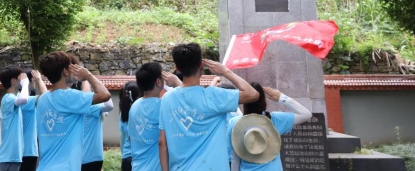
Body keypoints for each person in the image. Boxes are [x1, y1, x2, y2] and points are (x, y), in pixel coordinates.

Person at [158, 43, 259, 171]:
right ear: (201, 65)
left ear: (177, 68)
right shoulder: (213, 96)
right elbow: (253, 94)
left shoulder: (167, 98)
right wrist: (225, 71)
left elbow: (162, 142)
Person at [36, 51, 111, 171]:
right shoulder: (69, 96)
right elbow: (105, 95)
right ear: (65, 71)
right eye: (72, 66)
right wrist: (88, 75)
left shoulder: (42, 99)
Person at [229, 83, 312, 171]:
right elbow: (306, 114)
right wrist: (282, 97)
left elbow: (235, 157)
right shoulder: (275, 120)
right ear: (263, 100)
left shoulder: (235, 123)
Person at [128, 62, 180, 171]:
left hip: (137, 167)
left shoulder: (135, 106)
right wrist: (176, 82)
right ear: (158, 81)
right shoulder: (162, 105)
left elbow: (130, 137)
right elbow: (190, 100)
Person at [0, 66, 31, 171]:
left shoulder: (16, 97)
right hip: (7, 157)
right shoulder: (8, 98)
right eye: (21, 77)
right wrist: (25, 84)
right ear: (13, 80)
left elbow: (25, 97)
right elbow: (24, 99)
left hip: (14, 156)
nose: (23, 79)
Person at [79, 80, 114, 171]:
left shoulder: (76, 107)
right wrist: (95, 83)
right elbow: (109, 105)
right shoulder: (94, 108)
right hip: (93, 157)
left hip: (80, 158)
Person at [19, 69, 47, 171]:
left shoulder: (22, 99)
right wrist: (39, 79)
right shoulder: (24, 101)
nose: (34, 83)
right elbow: (45, 96)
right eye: (33, 80)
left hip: (28, 150)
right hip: (27, 150)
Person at [118, 81, 140, 171]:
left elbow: (122, 138)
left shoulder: (123, 113)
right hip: (140, 157)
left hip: (127, 157)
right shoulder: (141, 111)